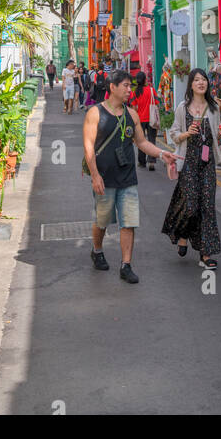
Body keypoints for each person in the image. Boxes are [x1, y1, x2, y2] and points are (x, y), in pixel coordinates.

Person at [83, 69, 177, 283]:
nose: (129, 89)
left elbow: (142, 143)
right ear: (112, 87)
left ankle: (126, 265)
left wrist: (162, 154)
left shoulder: (131, 114)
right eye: (125, 85)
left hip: (127, 178)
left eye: (130, 85)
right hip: (104, 178)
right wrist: (95, 175)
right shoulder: (95, 113)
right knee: (103, 220)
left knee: (129, 222)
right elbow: (88, 147)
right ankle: (97, 250)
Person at [162, 67, 221, 270]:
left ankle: (205, 254)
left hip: (207, 164)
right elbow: (173, 133)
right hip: (188, 161)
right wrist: (186, 134)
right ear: (191, 84)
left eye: (204, 79)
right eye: (197, 80)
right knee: (190, 205)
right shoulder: (183, 107)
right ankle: (182, 234)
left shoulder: (213, 107)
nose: (201, 83)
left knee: (207, 206)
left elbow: (218, 135)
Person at [130, 70, 158, 171]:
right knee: (151, 140)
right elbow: (156, 102)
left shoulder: (135, 92)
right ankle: (151, 161)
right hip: (151, 118)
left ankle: (141, 162)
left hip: (139, 119)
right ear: (145, 80)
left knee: (141, 141)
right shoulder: (151, 90)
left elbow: (134, 107)